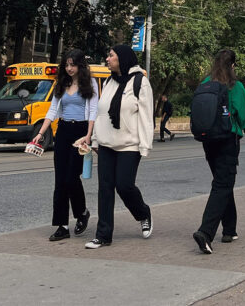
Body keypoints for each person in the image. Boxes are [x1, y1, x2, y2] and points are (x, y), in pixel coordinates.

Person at [192, 49, 245, 254]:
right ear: (233, 66)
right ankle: (205, 232)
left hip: (208, 140)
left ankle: (229, 230)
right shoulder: (235, 86)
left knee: (223, 182)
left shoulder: (205, 83)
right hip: (227, 140)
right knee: (223, 184)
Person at [85, 45, 154, 249]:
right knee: (105, 188)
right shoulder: (108, 81)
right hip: (106, 144)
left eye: (111, 56)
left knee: (124, 186)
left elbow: (146, 117)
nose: (107, 59)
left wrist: (145, 146)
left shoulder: (140, 82)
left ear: (122, 59)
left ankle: (143, 213)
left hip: (129, 145)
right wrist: (95, 139)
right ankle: (103, 235)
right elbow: (101, 114)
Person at [31, 49, 98, 241]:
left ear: (80, 65)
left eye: (73, 65)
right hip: (63, 131)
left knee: (71, 178)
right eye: (66, 65)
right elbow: (53, 110)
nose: (69, 68)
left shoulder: (89, 83)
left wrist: (88, 135)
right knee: (60, 180)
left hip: (81, 133)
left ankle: (82, 213)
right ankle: (62, 226)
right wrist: (40, 133)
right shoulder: (61, 83)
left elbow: (93, 110)